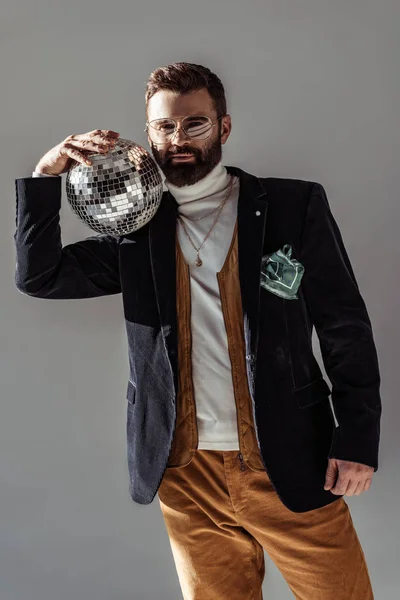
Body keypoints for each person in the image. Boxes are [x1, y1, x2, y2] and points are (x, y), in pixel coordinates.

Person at [14, 62, 381, 599]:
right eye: (163, 126)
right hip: (186, 475)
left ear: (223, 128)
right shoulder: (135, 229)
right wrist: (46, 177)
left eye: (194, 124)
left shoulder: (290, 207)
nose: (177, 139)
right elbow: (40, 276)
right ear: (147, 133)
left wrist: (357, 439)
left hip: (289, 460)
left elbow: (344, 325)